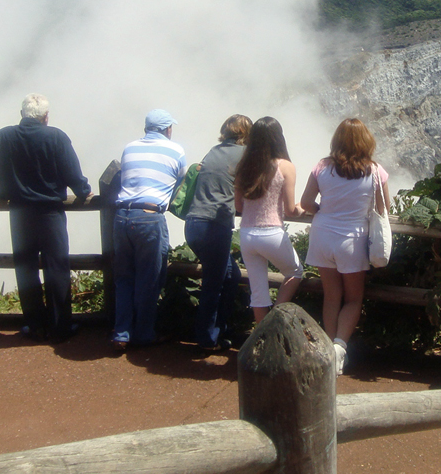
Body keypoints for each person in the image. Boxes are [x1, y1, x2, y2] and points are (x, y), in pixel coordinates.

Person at [0, 94, 91, 343]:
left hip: (20, 213)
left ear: (21, 114)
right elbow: (72, 173)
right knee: (56, 269)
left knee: (26, 269)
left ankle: (35, 326)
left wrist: (4, 194)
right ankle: (60, 327)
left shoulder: (3, 137)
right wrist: (83, 192)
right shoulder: (56, 136)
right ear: (46, 116)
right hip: (50, 213)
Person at [300, 118, 391, 375]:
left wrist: (323, 212)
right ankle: (340, 346)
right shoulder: (375, 171)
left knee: (331, 296)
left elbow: (306, 202)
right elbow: (385, 209)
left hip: (322, 235)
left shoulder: (322, 167)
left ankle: (329, 352)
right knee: (353, 299)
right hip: (353, 239)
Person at [112, 109, 187, 350]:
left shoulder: (129, 147)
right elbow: (182, 185)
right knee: (149, 279)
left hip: (122, 216)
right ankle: (144, 334)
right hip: (149, 217)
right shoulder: (176, 151)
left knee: (124, 278)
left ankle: (121, 333)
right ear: (167, 130)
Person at [183, 114, 251, 352]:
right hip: (214, 226)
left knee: (230, 277)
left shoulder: (213, 151)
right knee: (214, 284)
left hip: (193, 224)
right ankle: (206, 338)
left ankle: (219, 329)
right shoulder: (245, 155)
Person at [235, 117, 303, 324]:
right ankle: (276, 318)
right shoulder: (285, 167)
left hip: (246, 234)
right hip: (272, 233)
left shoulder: (244, 166)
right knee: (295, 271)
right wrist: (302, 209)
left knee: (258, 292)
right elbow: (291, 210)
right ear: (278, 138)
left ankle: (260, 337)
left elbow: (239, 207)